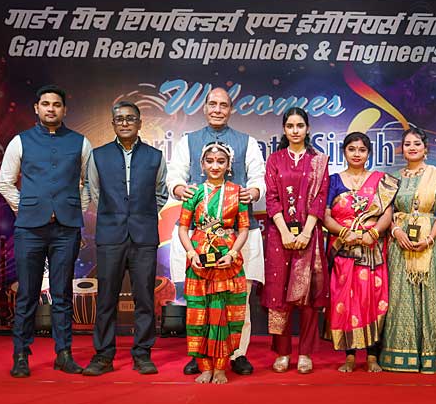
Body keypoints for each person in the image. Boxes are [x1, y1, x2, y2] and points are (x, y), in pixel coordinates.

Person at [167, 87, 265, 376]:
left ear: (231, 109)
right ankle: (201, 355)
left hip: (238, 233)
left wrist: (253, 191)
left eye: (224, 105)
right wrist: (179, 188)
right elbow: (174, 174)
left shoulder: (247, 142)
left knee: (238, 297)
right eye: (213, 104)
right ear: (205, 107)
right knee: (200, 300)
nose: (218, 109)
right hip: (197, 235)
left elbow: (258, 176)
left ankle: (237, 353)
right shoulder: (188, 141)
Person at [0, 85, 92, 377]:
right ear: (36, 108)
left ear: (65, 110)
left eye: (57, 104)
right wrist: (25, 208)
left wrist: (75, 209)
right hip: (30, 230)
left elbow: (90, 183)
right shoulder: (20, 141)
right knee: (27, 294)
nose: (51, 108)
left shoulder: (81, 142)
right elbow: (5, 182)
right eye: (46, 104)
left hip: (66, 230)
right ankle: (21, 354)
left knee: (62, 293)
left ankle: (64, 354)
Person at [82, 102, 168, 376]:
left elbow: (161, 193)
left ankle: (142, 354)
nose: (125, 123)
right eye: (119, 119)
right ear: (113, 124)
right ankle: (103, 356)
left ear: (140, 123)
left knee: (144, 299)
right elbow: (95, 192)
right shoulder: (98, 155)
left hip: (144, 237)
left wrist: (141, 214)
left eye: (131, 118)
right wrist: (115, 214)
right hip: (110, 236)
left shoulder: (155, 156)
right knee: (106, 299)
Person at [379, 127, 436, 373]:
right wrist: (396, 231)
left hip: (429, 243)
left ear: (425, 148)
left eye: (417, 144)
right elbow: (386, 214)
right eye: (407, 144)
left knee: (430, 294)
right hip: (400, 243)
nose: (412, 148)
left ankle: (432, 354)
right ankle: (401, 353)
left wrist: (430, 238)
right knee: (401, 295)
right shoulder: (391, 178)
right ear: (402, 149)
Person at [323, 132, 399, 372]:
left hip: (371, 249)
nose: (357, 154)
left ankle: (373, 356)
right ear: (344, 152)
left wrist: (373, 233)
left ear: (369, 153)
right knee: (345, 301)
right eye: (352, 149)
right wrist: (345, 233)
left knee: (372, 299)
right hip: (343, 250)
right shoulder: (333, 181)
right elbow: (325, 215)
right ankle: (349, 355)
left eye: (362, 150)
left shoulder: (380, 181)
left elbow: (387, 213)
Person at [263, 107, 329, 374]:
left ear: (307, 128)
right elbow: (271, 198)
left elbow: (320, 198)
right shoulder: (275, 159)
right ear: (284, 129)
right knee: (278, 294)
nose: (295, 130)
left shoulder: (318, 161)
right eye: (290, 126)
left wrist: (305, 233)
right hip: (279, 237)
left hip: (309, 236)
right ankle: (282, 352)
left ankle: (304, 353)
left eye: (299, 126)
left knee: (308, 296)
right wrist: (285, 232)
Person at [178, 142, 249, 384]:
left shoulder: (237, 192)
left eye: (220, 161)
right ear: (202, 165)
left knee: (224, 314)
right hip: (199, 259)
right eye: (210, 161)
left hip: (227, 259)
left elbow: (243, 229)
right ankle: (205, 367)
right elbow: (183, 228)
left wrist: (233, 253)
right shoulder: (194, 193)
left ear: (229, 165)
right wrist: (191, 253)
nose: (215, 166)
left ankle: (220, 368)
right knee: (200, 314)